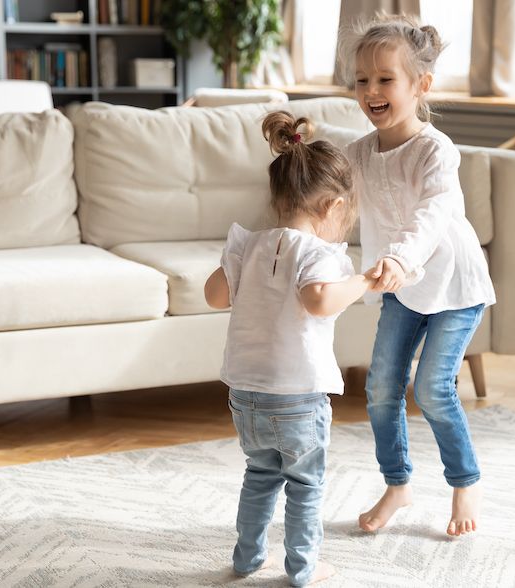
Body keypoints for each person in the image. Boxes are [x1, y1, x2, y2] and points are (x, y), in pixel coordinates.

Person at [342, 15, 497, 537]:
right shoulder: (359, 153)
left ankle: (465, 480)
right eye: (362, 80)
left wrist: (400, 260)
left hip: (453, 284)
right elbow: (333, 205)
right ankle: (398, 483)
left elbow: (430, 216)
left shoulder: (436, 150)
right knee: (382, 388)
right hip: (401, 287)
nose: (371, 90)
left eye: (385, 79)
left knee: (432, 388)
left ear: (420, 86)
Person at [204, 111, 372, 586]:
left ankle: (247, 557)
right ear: (333, 206)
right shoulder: (319, 253)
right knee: (305, 483)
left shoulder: (248, 244)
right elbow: (318, 301)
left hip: (245, 393)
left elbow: (215, 296)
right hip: (297, 394)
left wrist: (236, 267)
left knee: (259, 474)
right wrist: (359, 280)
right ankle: (303, 568)